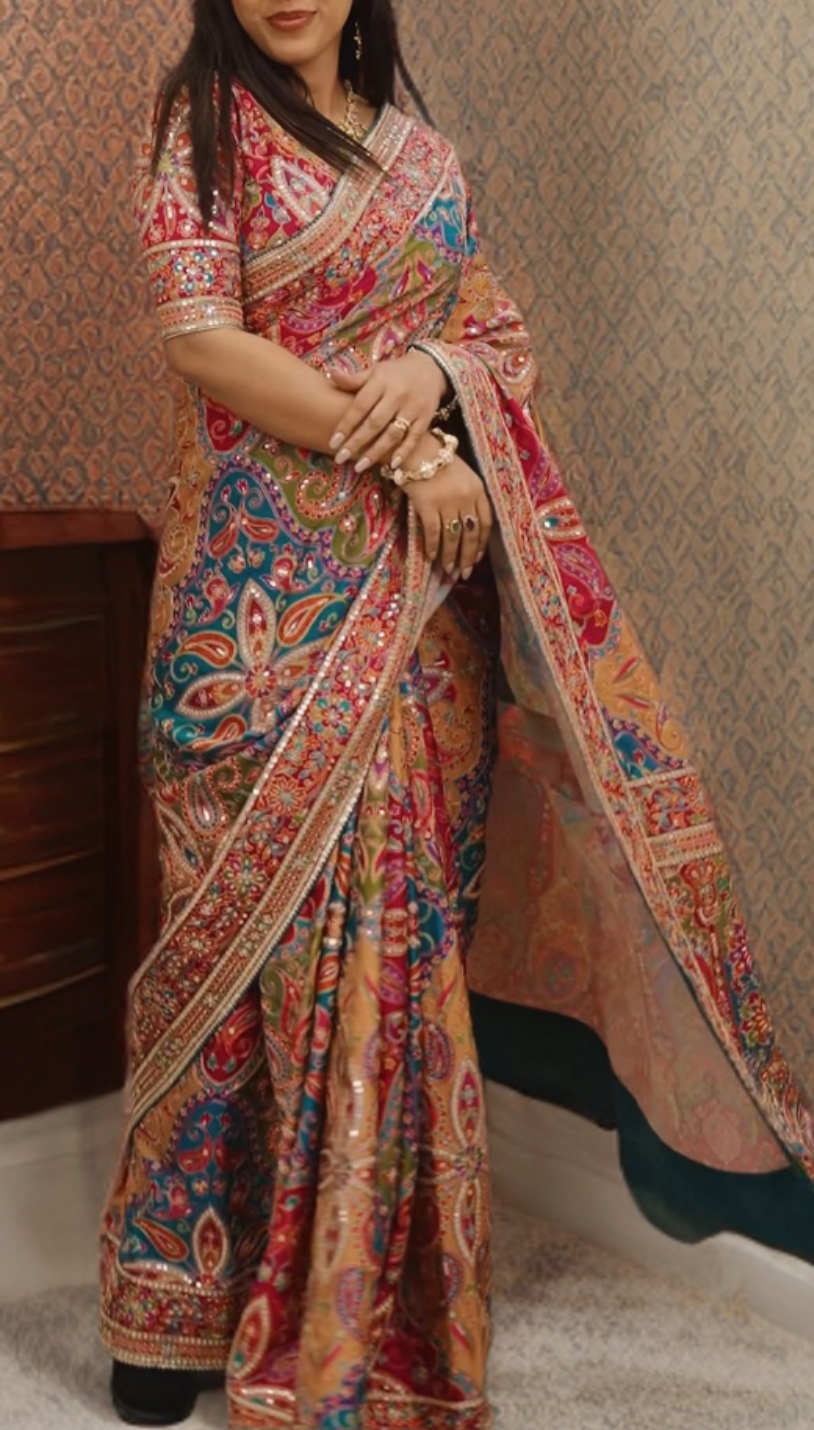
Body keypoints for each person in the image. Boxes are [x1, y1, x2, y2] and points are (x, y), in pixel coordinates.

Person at [101, 0, 814, 1426]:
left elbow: (491, 332)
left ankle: (368, 1308)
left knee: (399, 945)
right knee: (237, 963)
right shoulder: (202, 130)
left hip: (421, 618)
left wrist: (438, 377)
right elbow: (203, 341)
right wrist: (418, 459)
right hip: (253, 619)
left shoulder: (422, 159)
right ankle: (173, 1308)